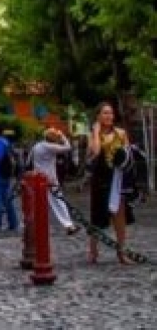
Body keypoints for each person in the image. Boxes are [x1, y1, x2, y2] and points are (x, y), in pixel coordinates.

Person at [86, 102, 135, 264]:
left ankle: (121, 252)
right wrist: (96, 131)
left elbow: (128, 154)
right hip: (100, 178)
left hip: (117, 178)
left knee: (119, 215)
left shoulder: (121, 133)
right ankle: (93, 251)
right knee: (97, 216)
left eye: (111, 113)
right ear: (98, 116)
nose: (109, 116)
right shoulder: (94, 135)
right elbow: (96, 151)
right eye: (105, 113)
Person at [29, 127, 79, 236]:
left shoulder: (36, 146)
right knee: (59, 203)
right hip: (50, 180)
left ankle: (35, 225)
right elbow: (68, 147)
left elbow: (29, 160)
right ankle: (69, 225)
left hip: (39, 178)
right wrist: (62, 136)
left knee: (40, 204)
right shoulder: (49, 147)